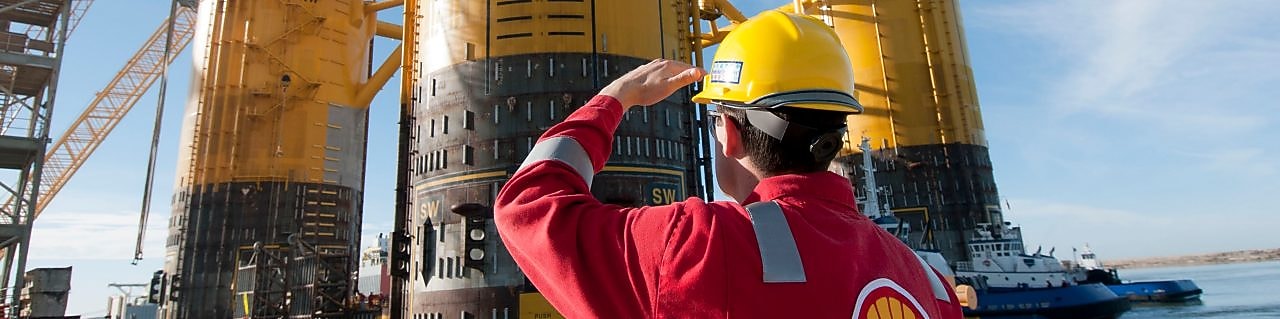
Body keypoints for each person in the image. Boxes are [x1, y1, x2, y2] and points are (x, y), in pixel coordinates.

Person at [495, 10, 963, 318]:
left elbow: (528, 208)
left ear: (728, 133)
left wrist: (614, 99)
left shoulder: (702, 247)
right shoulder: (928, 283)